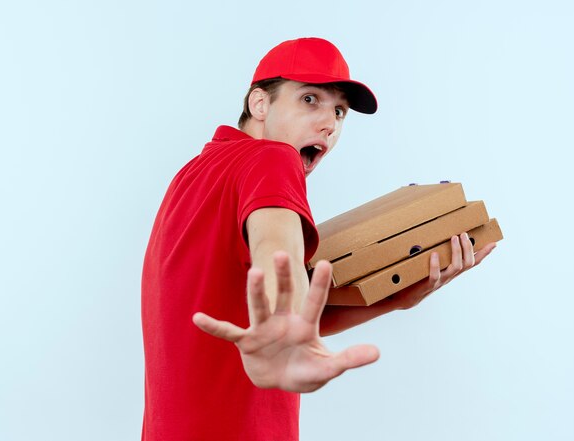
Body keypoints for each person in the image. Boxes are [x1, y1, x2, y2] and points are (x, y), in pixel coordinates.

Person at [141, 37, 495, 441]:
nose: (330, 123)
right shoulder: (272, 159)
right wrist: (289, 310)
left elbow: (277, 315)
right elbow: (277, 257)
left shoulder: (194, 174)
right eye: (310, 99)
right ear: (260, 104)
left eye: (339, 111)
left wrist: (399, 298)